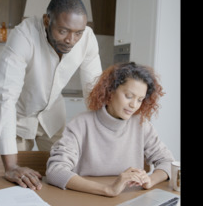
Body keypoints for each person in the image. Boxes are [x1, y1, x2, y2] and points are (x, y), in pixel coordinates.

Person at [0, 0, 102, 191]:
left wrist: (100, 137)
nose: (71, 40)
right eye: (63, 31)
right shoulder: (23, 36)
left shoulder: (86, 39)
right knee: (16, 182)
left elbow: (94, 91)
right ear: (47, 20)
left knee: (64, 173)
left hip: (52, 114)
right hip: (19, 116)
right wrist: (11, 167)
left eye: (78, 32)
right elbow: (5, 98)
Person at [46, 62, 175, 196]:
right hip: (87, 197)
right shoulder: (81, 123)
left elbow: (168, 163)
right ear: (110, 91)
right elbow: (55, 171)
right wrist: (108, 189)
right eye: (129, 96)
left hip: (127, 199)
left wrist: (150, 180)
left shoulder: (142, 125)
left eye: (140, 100)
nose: (133, 105)